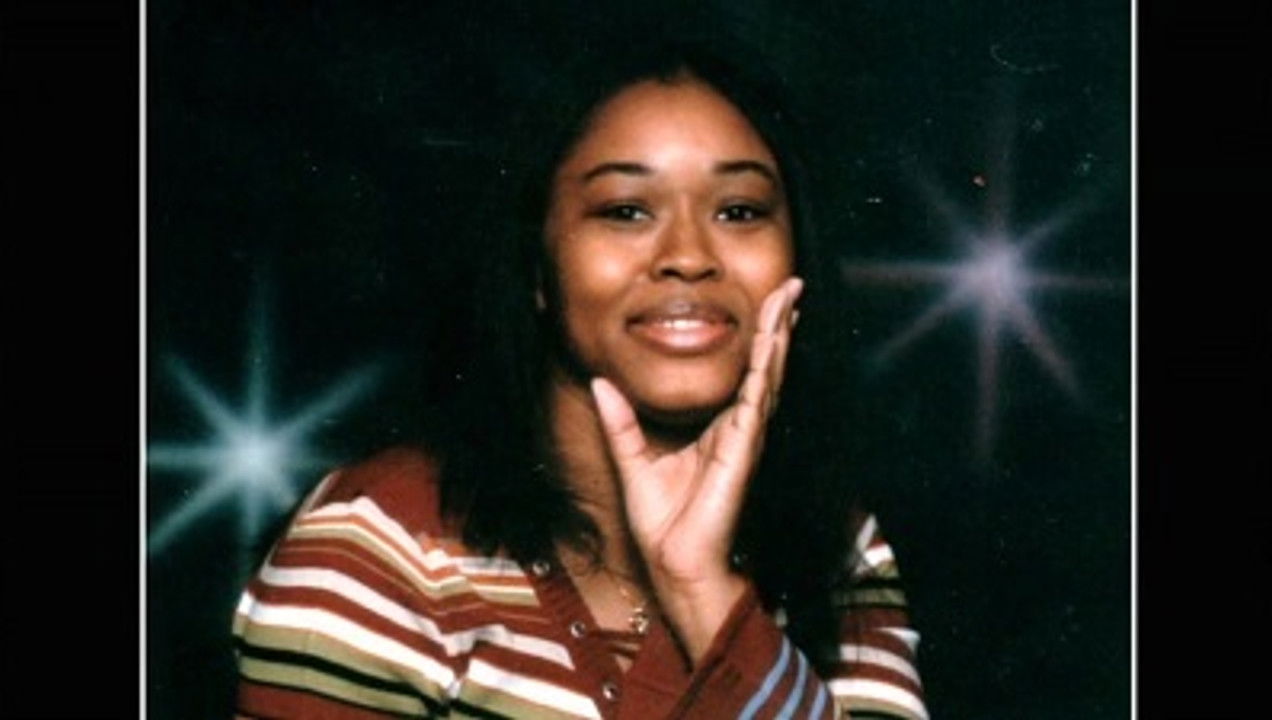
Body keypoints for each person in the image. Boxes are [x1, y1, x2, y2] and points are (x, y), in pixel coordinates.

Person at [232, 37, 928, 719]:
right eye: (625, 210)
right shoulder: (378, 544)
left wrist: (700, 589)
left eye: (739, 211)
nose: (689, 256)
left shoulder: (842, 550)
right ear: (538, 268)